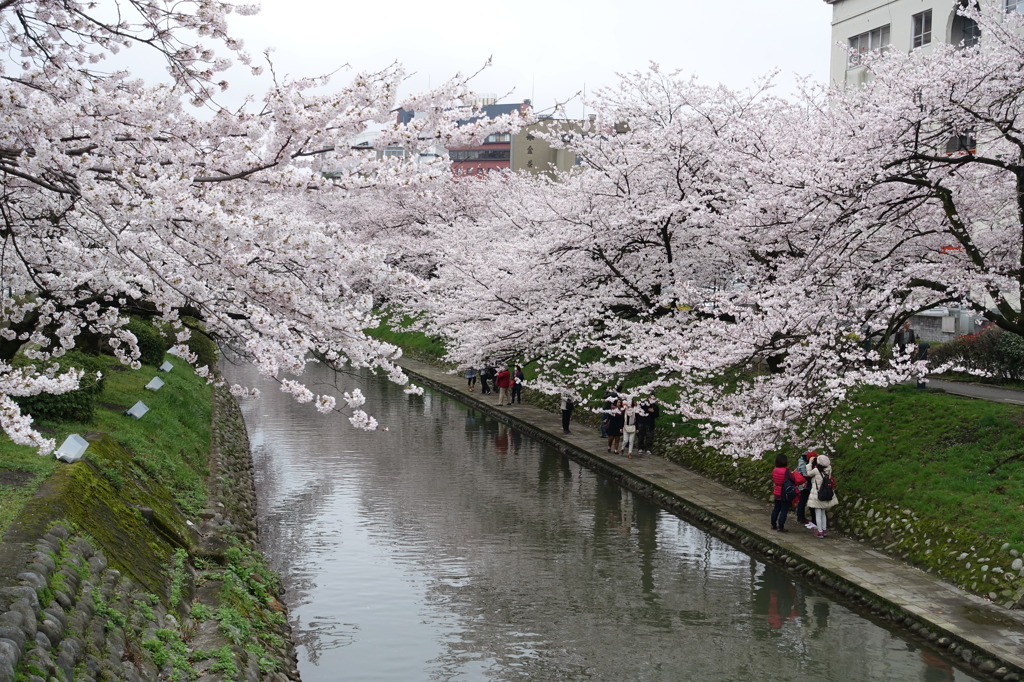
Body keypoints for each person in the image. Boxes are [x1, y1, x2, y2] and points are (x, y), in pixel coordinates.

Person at [807, 454, 838, 538]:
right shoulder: (829, 469)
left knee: (818, 513)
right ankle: (824, 530)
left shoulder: (816, 470)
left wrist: (810, 463)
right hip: (826, 493)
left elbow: (809, 473)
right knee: (823, 513)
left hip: (818, 494)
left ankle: (820, 531)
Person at [771, 453, 793, 532]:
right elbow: (792, 479)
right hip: (784, 492)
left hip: (777, 491)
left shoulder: (775, 469)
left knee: (776, 509)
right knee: (784, 510)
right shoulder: (786, 471)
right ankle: (781, 526)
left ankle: (773, 524)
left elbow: (773, 477)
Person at [796, 450, 816, 528]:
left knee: (803, 501)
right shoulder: (803, 463)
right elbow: (806, 474)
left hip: (804, 485)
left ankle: (801, 517)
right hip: (805, 485)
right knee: (804, 501)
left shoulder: (801, 461)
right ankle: (801, 517)